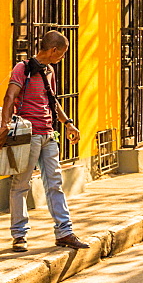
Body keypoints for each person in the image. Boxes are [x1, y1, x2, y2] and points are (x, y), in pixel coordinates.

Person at [0, 31, 89, 252]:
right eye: (62, 53)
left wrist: (68, 122)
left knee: (55, 184)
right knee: (21, 185)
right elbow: (9, 96)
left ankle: (64, 233)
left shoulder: (49, 71)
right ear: (53, 50)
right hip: (27, 137)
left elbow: (52, 101)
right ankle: (19, 236)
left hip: (48, 135)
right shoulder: (23, 69)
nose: (62, 57)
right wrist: (4, 125)